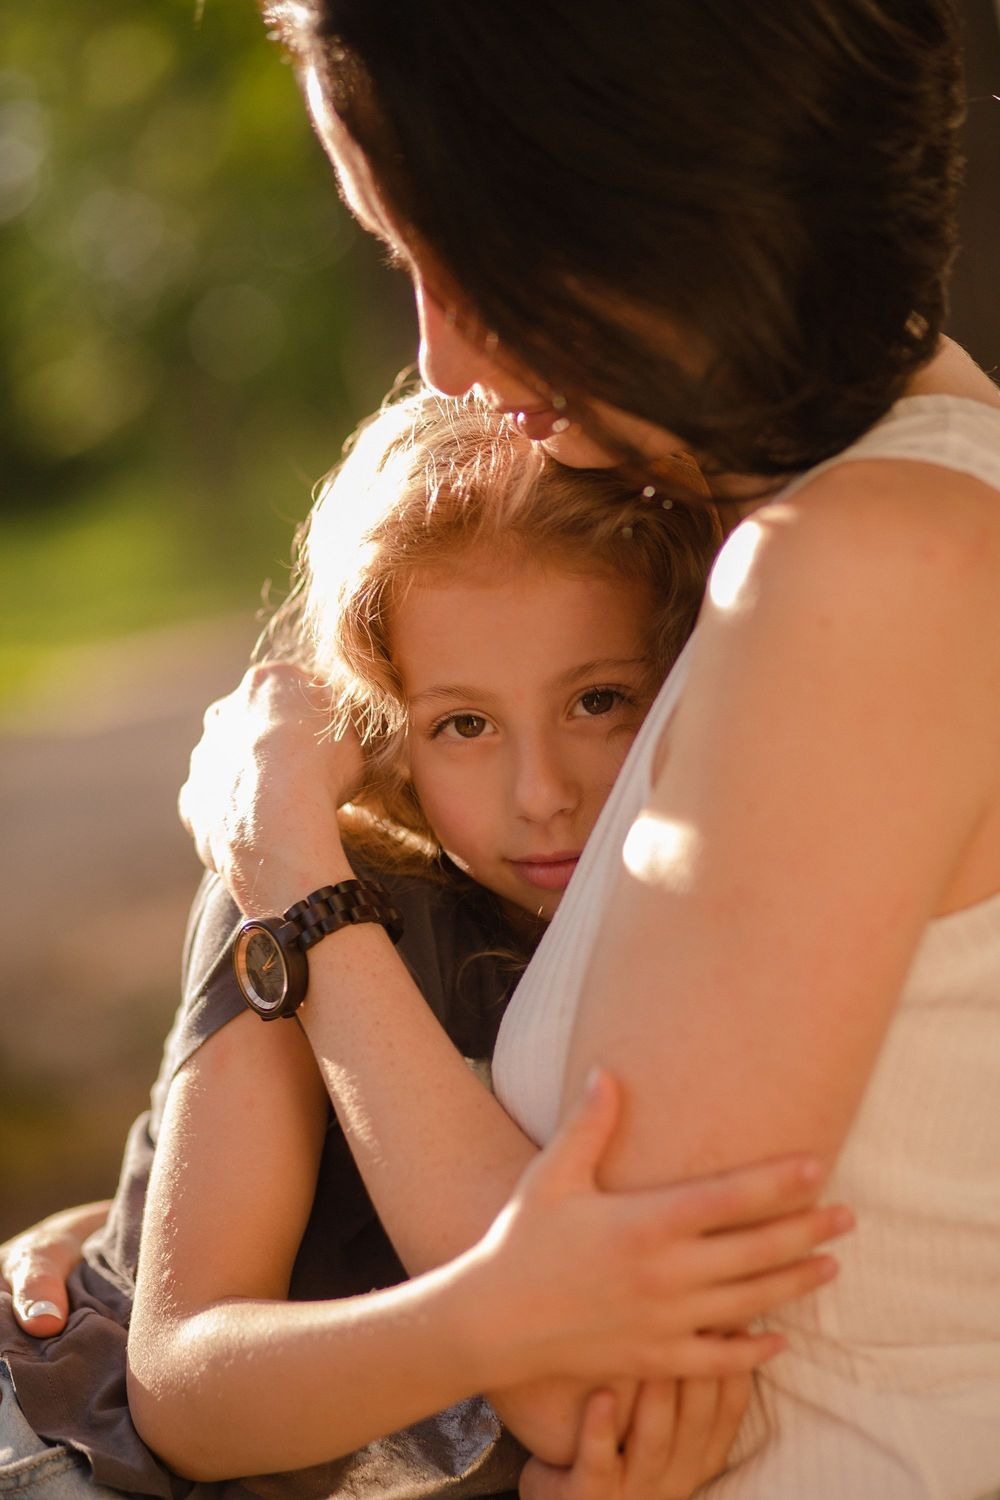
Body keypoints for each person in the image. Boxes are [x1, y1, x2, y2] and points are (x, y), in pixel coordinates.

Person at [173, 3, 1000, 1496]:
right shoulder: (795, 531)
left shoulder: (863, 572)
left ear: (621, 190)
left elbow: (583, 1376)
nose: (434, 354)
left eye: (455, 253)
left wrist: (296, 891)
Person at [0, 389, 850, 1500]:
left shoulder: (721, 920)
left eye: (600, 700)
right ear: (383, 732)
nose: (541, 795)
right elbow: (184, 1390)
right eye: (463, 724)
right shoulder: (310, 881)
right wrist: (497, 1314)